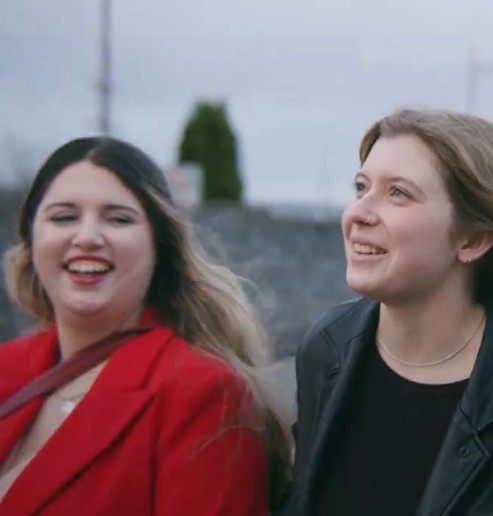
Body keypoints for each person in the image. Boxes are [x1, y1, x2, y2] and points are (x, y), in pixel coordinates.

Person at [289, 109, 493, 516]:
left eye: (398, 193)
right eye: (361, 187)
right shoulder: (326, 346)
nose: (358, 214)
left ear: (473, 239)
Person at [0, 137, 290, 514]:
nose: (87, 237)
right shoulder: (8, 365)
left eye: (118, 219)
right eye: (63, 217)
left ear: (159, 247)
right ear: (31, 236)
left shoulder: (203, 395)